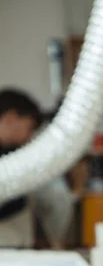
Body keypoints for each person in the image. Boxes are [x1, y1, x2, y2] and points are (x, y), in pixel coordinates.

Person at [0, 89, 76, 249]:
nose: (30, 136)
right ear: (10, 118)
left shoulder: (14, 155)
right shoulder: (12, 161)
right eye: (29, 128)